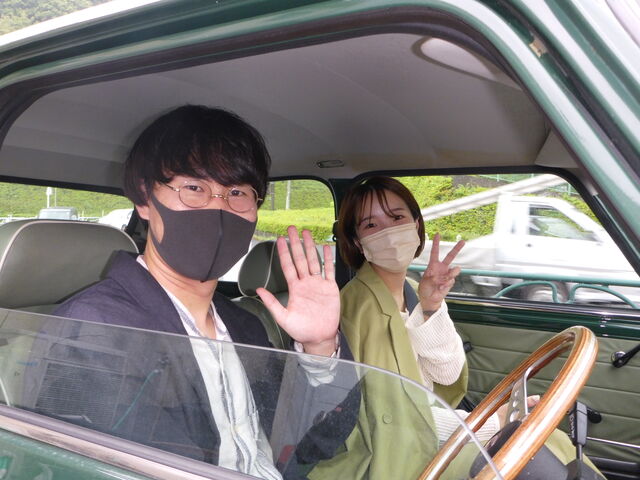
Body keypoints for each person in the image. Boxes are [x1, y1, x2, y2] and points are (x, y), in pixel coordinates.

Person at [31, 105, 354, 479]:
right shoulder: (96, 329)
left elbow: (317, 444)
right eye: (195, 188)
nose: (219, 208)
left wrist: (319, 348)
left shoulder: (246, 326)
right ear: (145, 199)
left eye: (237, 192)